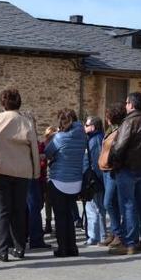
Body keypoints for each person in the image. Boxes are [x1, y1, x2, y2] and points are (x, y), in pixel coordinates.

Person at [0, 88, 40, 262]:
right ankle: (19, 248)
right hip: (22, 171)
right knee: (19, 210)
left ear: (2, 102)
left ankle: (3, 250)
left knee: (2, 211)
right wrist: (35, 172)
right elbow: (34, 149)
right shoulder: (26, 122)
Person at [108, 92, 141, 255]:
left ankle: (129, 243)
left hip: (127, 169)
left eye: (127, 102)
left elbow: (119, 147)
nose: (125, 105)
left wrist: (115, 162)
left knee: (128, 206)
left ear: (131, 104)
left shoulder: (129, 122)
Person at [44, 109, 88, 257]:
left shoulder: (59, 138)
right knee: (70, 215)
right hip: (76, 180)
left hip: (59, 180)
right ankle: (73, 247)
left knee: (61, 216)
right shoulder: (82, 135)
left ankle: (63, 248)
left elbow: (48, 152)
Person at [99, 103, 127, 248]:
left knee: (108, 202)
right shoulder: (110, 130)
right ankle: (115, 232)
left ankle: (118, 233)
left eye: (108, 115)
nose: (106, 117)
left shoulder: (120, 130)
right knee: (113, 203)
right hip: (105, 169)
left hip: (112, 170)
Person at [26, 119, 52, 250]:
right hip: (32, 177)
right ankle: (35, 238)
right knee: (34, 208)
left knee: (28, 208)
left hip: (24, 176)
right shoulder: (30, 140)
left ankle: (24, 236)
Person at [83, 116, 106, 246]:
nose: (84, 127)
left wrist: (96, 180)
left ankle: (100, 236)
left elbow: (98, 162)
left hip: (95, 179)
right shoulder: (93, 139)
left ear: (93, 126)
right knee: (92, 208)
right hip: (92, 179)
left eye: (86, 125)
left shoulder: (95, 140)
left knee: (98, 208)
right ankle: (94, 236)